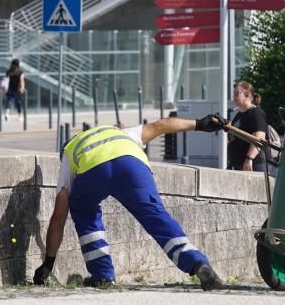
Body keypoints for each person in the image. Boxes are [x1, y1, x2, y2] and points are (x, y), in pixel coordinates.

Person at [33, 114, 227, 290]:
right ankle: (197, 263)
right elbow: (162, 125)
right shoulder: (122, 133)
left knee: (83, 209)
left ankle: (102, 276)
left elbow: (59, 216)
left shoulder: (70, 151)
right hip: (132, 165)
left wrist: (48, 263)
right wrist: (200, 123)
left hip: (94, 171)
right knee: (156, 216)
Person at [227, 81, 269, 172]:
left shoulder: (256, 112)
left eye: (237, 93)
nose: (233, 96)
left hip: (254, 164)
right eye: (233, 93)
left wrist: (249, 159)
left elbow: (259, 138)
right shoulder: (239, 115)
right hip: (238, 164)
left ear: (248, 95)